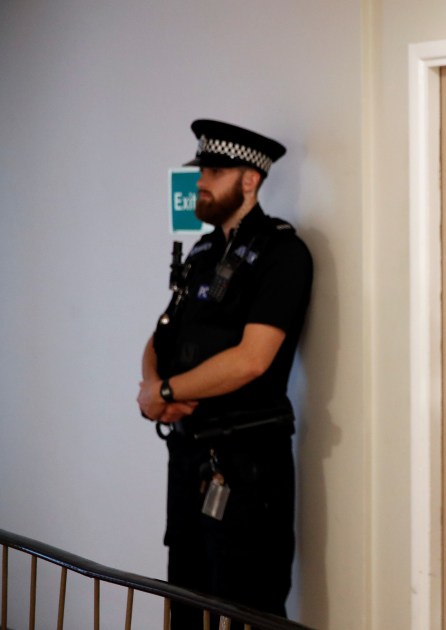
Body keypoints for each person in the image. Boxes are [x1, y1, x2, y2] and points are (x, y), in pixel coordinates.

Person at [137, 119, 313, 626]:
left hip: (247, 464)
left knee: (247, 608)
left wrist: (168, 389)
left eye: (214, 171)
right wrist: (152, 388)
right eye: (202, 171)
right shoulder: (204, 251)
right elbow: (160, 336)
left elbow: (251, 359)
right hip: (188, 454)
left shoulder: (283, 253)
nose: (201, 182)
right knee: (187, 600)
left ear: (250, 180)